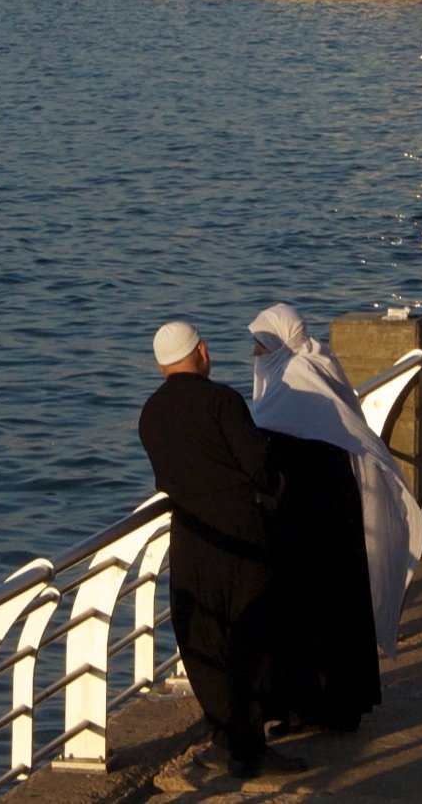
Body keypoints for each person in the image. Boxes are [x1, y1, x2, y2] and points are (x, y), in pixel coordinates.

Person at [246, 303, 422, 736]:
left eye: (260, 343)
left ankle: (309, 706)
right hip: (335, 508)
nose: (254, 352)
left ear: (278, 343)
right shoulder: (320, 366)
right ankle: (336, 705)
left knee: (306, 610)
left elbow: (275, 438)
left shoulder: (293, 381)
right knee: (336, 606)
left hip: (305, 513)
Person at [137, 321, 304, 779]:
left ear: (160, 364)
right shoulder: (222, 401)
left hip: (190, 538)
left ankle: (226, 736)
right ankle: (252, 748)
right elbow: (259, 465)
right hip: (241, 536)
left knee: (203, 639)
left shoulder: (150, 413)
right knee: (250, 637)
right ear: (203, 353)